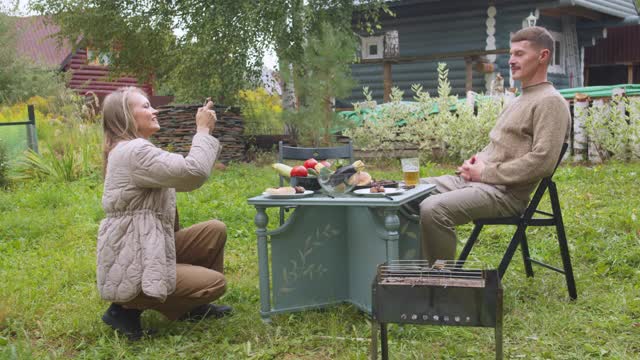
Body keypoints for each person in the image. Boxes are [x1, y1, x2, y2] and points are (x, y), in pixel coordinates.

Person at [419, 26, 571, 264]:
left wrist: (486, 172)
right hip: (478, 181)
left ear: (543, 56)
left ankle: (439, 286)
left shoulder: (550, 102)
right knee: (407, 193)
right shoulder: (520, 99)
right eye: (511, 54)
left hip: (504, 193)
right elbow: (500, 145)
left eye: (520, 54)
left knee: (433, 209)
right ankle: (408, 271)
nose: (511, 60)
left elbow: (542, 161)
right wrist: (475, 162)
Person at [97, 87, 231, 340]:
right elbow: (193, 173)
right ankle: (126, 309)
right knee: (214, 283)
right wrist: (202, 130)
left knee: (214, 230)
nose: (154, 110)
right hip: (136, 259)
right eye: (145, 106)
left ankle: (192, 308)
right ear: (126, 116)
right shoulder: (135, 151)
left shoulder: (131, 149)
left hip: (145, 247)